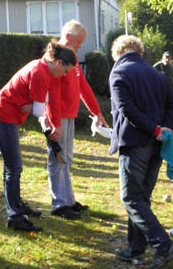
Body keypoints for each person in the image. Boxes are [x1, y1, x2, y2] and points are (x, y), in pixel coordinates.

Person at [0, 40, 76, 232]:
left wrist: (51, 121)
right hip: (3, 115)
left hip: (9, 116)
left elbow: (43, 104)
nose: (65, 74)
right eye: (66, 70)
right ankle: (15, 217)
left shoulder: (45, 69)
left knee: (14, 167)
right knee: (14, 167)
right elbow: (38, 110)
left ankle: (17, 206)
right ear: (59, 63)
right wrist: (38, 109)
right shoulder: (40, 72)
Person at [109, 35, 173, 268]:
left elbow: (125, 108)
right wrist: (164, 128)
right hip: (157, 144)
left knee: (131, 197)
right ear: (139, 52)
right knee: (141, 198)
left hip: (136, 142)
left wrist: (154, 129)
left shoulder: (119, 72)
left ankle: (163, 245)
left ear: (117, 53)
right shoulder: (157, 75)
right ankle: (135, 248)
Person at [46, 20, 109, 220]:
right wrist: (54, 122)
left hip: (69, 114)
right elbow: (52, 94)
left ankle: (68, 200)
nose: (81, 45)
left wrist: (96, 112)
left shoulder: (71, 56)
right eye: (79, 41)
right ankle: (59, 204)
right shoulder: (57, 57)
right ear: (69, 37)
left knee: (66, 158)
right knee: (58, 158)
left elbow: (83, 86)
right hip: (57, 115)